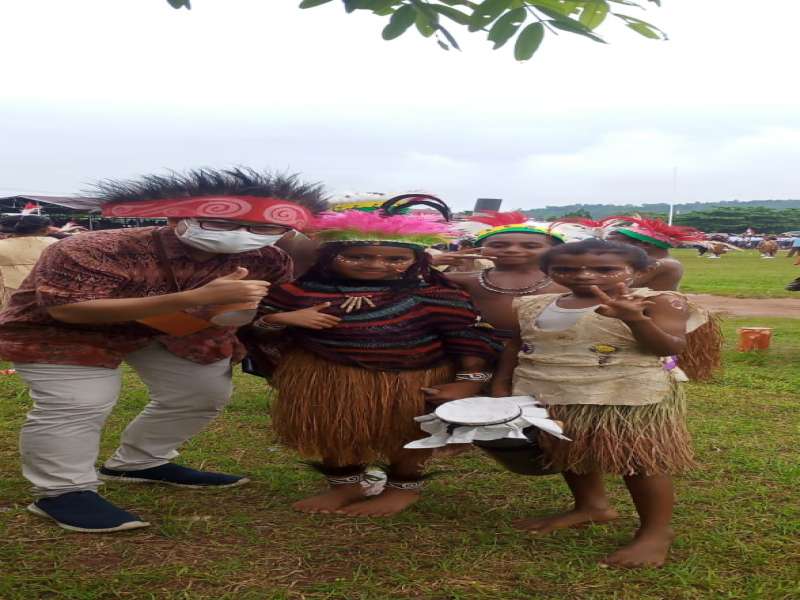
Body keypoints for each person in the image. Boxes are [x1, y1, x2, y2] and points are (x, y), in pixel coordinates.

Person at [0, 168, 327, 533]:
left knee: (202, 392)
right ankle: (62, 491)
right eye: (220, 223)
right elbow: (68, 310)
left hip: (176, 329)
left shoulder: (268, 259)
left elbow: (253, 308)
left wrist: (243, 312)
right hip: (65, 331)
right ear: (175, 217)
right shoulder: (91, 247)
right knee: (80, 401)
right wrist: (194, 297)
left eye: (264, 228)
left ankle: (139, 462)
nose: (243, 234)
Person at [247, 198, 496, 517]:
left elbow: (468, 337)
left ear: (417, 260)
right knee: (332, 430)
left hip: (414, 380)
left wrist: (469, 381)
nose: (376, 264)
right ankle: (346, 486)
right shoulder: (297, 293)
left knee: (409, 433)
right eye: (357, 256)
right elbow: (257, 328)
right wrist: (281, 319)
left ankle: (403, 489)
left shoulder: (436, 295)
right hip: (327, 376)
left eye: (396, 258)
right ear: (329, 257)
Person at [491, 238, 705, 568]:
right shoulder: (533, 304)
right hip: (550, 392)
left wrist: (635, 319)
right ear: (547, 271)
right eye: (565, 269)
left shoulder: (657, 301)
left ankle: (655, 531)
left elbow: (669, 346)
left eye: (605, 269)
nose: (584, 275)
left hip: (626, 396)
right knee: (569, 450)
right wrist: (501, 382)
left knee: (639, 462)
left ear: (639, 271)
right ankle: (592, 506)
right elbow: (516, 345)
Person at [445, 212, 567, 346]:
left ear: (555, 251)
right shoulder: (466, 280)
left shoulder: (568, 283)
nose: (512, 250)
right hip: (481, 347)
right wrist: (431, 260)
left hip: (545, 349)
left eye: (530, 246)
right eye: (498, 245)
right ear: (479, 250)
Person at [0, 214, 58, 308]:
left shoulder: (2, 245)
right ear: (45, 230)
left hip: (10, 297)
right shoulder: (55, 243)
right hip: (48, 297)